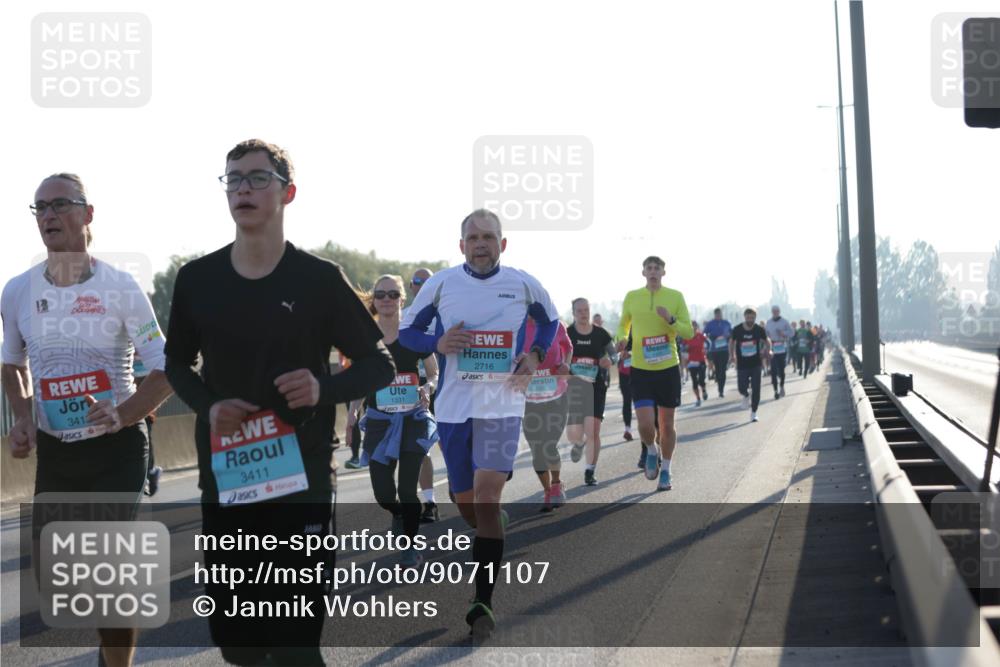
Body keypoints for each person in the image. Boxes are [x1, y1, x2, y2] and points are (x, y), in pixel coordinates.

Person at [164, 139, 395, 666]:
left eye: (257, 178)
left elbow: (378, 364)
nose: (242, 189)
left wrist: (322, 389)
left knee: (294, 644)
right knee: (239, 647)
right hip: (228, 479)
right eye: (233, 179)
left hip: (303, 478)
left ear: (288, 192)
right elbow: (175, 364)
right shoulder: (197, 279)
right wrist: (209, 406)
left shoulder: (319, 279)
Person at [2, 173, 174, 667]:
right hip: (58, 450)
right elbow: (12, 363)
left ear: (87, 214)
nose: (48, 216)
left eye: (60, 205)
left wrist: (123, 413)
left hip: (117, 446)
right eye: (40, 208)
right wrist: (23, 417)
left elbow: (166, 368)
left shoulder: (120, 287)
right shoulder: (17, 291)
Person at [399, 209, 558, 637]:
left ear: (502, 244)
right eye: (473, 238)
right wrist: (437, 342)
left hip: (502, 404)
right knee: (468, 505)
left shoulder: (523, 283)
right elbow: (407, 333)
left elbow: (549, 321)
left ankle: (481, 602)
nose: (481, 244)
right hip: (454, 408)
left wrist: (535, 356)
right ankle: (489, 524)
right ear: (461, 245)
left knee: (487, 498)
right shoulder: (441, 284)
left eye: (489, 237)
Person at [347, 274, 438, 567]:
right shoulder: (365, 339)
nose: (386, 299)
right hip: (379, 422)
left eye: (393, 294)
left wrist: (427, 387)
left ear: (402, 299)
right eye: (381, 294)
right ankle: (397, 512)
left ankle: (409, 547)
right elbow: (359, 380)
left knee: (408, 490)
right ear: (374, 300)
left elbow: (434, 372)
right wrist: (351, 414)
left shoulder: (413, 334)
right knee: (384, 493)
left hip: (413, 418)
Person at [616, 256, 692, 492]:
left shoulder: (675, 296)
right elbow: (623, 325)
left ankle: (666, 470)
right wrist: (621, 339)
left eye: (657, 268)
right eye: (649, 268)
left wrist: (670, 319)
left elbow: (688, 332)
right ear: (643, 273)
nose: (652, 271)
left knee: (666, 425)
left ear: (663, 273)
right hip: (641, 368)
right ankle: (651, 449)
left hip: (668, 368)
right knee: (645, 423)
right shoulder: (632, 296)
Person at [521, 317, 572, 510]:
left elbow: (568, 347)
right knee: (537, 451)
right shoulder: (517, 324)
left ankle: (557, 483)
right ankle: (548, 490)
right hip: (529, 401)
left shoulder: (554, 324)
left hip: (556, 397)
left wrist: (566, 364)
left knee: (549, 445)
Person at [404, 267, 442, 522]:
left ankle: (461, 483)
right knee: (420, 448)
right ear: (411, 287)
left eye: (428, 281)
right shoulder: (404, 317)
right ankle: (430, 503)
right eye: (418, 281)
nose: (423, 285)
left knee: (450, 442)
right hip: (414, 387)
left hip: (446, 384)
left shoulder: (446, 313)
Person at [566, 298, 616, 487]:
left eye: (586, 310)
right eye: (579, 311)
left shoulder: (601, 333)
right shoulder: (567, 334)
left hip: (596, 387)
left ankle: (590, 470)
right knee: (575, 433)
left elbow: (614, 354)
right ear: (573, 313)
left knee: (593, 430)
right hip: (574, 389)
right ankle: (579, 444)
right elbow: (557, 356)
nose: (583, 314)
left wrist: (611, 360)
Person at [729, 308, 770, 422]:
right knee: (741, 388)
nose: (750, 320)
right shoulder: (737, 329)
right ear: (745, 317)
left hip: (756, 363)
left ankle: (754, 412)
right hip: (742, 363)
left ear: (755, 318)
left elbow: (767, 341)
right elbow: (731, 342)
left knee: (756, 388)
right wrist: (732, 355)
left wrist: (768, 350)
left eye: (752, 318)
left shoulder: (758, 329)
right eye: (748, 318)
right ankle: (746, 395)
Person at [133, 352, 163, 495]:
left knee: (145, 429)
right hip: (125, 383)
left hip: (146, 382)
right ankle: (147, 472)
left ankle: (149, 472)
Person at [764, 305, 794, 399]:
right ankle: (775, 391)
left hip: (782, 346)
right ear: (772, 312)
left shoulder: (784, 322)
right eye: (774, 311)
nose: (775, 313)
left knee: (781, 369)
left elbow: (792, 333)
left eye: (777, 311)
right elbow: (765, 334)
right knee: (773, 370)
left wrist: (783, 333)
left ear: (779, 312)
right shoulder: (768, 322)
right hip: (772, 347)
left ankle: (782, 386)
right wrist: (766, 341)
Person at [703, 308, 732, 398]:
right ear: (715, 315)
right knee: (718, 369)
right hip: (714, 350)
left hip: (724, 349)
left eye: (720, 314)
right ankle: (718, 381)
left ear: (721, 314)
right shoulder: (710, 324)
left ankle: (721, 389)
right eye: (717, 315)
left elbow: (731, 334)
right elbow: (704, 334)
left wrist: (727, 336)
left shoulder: (726, 323)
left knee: (723, 369)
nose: (718, 316)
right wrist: (710, 337)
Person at [682, 321, 710, 406]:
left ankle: (704, 390)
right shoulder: (686, 337)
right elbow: (682, 348)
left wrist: (707, 350)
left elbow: (709, 343)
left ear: (697, 327)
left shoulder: (700, 336)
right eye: (691, 326)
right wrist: (686, 348)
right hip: (691, 362)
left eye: (694, 326)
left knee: (701, 380)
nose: (693, 328)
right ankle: (698, 399)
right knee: (694, 382)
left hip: (701, 360)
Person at [618, 338, 635, 442]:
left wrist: (631, 353)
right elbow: (616, 350)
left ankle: (649, 429)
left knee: (640, 401)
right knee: (627, 400)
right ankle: (627, 429)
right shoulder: (622, 332)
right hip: (625, 372)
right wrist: (621, 352)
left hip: (640, 370)